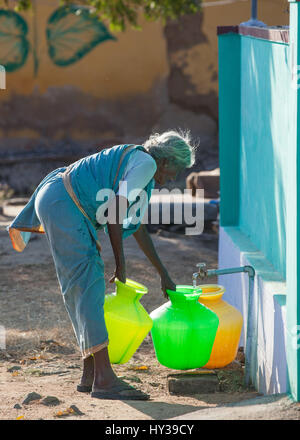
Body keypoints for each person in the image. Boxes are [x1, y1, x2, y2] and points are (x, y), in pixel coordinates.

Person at [7, 130, 195, 400]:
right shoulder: (147, 164)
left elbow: (137, 226)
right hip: (64, 202)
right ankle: (105, 380)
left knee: (82, 290)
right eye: (175, 171)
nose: (172, 179)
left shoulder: (140, 166)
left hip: (60, 199)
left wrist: (163, 274)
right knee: (88, 286)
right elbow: (116, 212)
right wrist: (121, 265)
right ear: (166, 162)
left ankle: (90, 374)